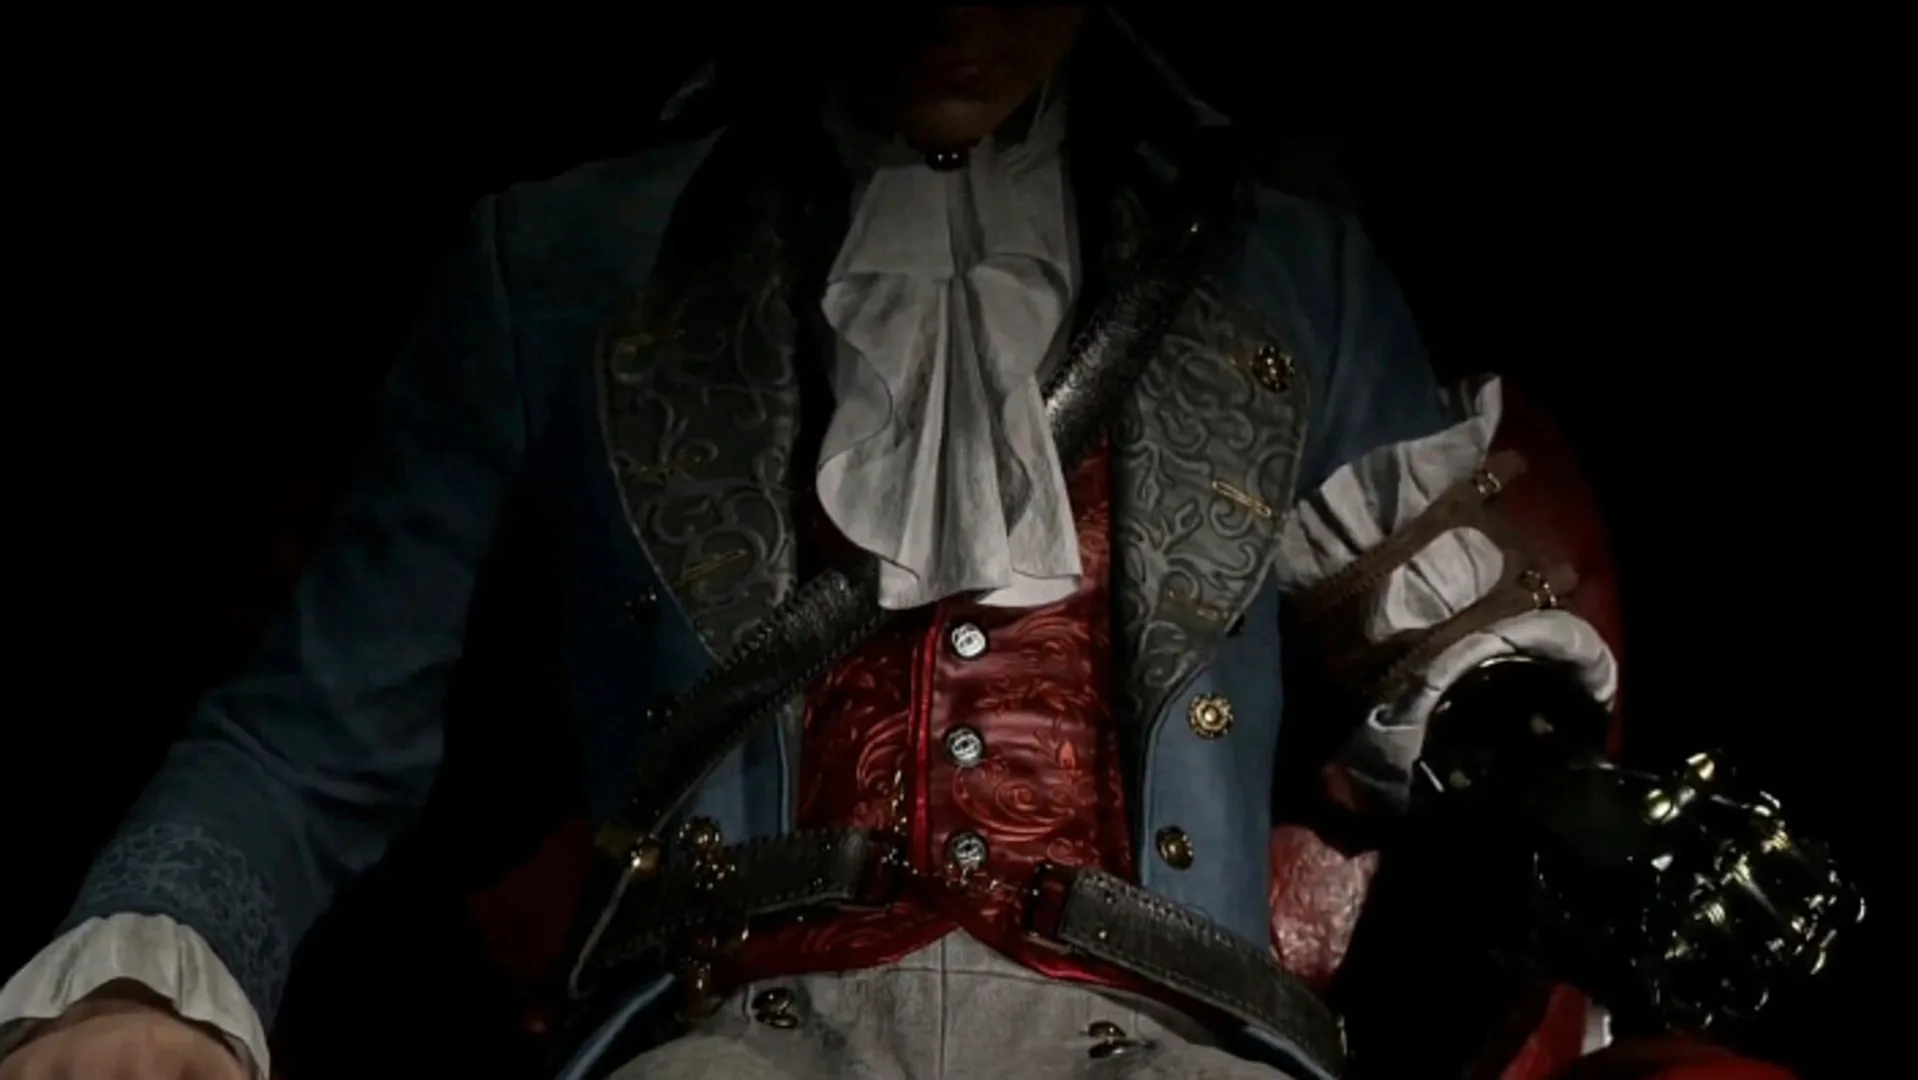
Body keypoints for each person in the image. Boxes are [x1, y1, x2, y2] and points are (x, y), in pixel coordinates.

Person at [0, 8, 1847, 1080]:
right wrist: (155, 965)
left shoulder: (1280, 258)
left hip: (1168, 1047)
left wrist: (1571, 800)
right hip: (730, 1040)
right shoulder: (560, 260)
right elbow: (313, 728)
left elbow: (1433, 639)